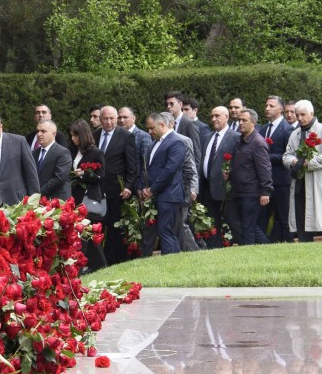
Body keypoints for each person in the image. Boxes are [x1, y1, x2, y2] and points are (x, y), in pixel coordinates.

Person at [282, 100, 322, 241]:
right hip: (300, 181)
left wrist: (309, 163)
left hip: (319, 181)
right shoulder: (294, 134)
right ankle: (304, 243)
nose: (300, 118)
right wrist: (294, 161)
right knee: (301, 215)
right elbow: (287, 155)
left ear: (311, 114)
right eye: (298, 115)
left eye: (303, 114)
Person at [95, 106, 141, 262]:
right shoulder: (94, 136)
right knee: (96, 226)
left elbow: (132, 165)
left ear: (116, 118)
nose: (108, 122)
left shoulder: (126, 136)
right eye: (105, 119)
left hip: (117, 190)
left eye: (112, 118)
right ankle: (98, 260)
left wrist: (128, 186)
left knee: (115, 227)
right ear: (100, 119)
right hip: (97, 190)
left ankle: (115, 260)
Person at [142, 112, 189, 255]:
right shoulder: (155, 143)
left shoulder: (176, 142)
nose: (149, 132)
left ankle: (170, 262)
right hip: (159, 194)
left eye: (151, 128)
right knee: (165, 230)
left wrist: (152, 190)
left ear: (161, 124)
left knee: (165, 230)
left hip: (169, 194)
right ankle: (174, 261)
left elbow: (170, 170)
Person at [227, 108, 272, 245]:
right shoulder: (239, 141)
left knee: (247, 228)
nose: (240, 123)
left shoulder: (258, 143)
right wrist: (229, 174)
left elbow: (264, 168)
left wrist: (266, 191)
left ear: (253, 122)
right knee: (244, 225)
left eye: (244, 120)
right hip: (238, 191)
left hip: (251, 193)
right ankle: (268, 248)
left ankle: (249, 254)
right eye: (239, 120)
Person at [68, 121, 109, 269]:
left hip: (89, 198)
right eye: (72, 135)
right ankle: (97, 264)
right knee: (84, 234)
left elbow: (100, 175)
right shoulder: (72, 151)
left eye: (75, 135)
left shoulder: (96, 153)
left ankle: (89, 265)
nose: (73, 139)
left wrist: (84, 174)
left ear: (83, 135)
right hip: (75, 197)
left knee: (87, 233)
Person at [197, 106, 235, 245]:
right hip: (207, 188)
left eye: (217, 116)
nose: (213, 119)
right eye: (212, 116)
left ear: (227, 117)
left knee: (233, 222)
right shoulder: (208, 136)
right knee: (211, 225)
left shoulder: (235, 137)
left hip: (226, 189)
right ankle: (215, 251)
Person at [259, 95, 294, 242]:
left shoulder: (288, 129)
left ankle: (290, 245)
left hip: (281, 181)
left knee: (283, 217)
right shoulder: (263, 128)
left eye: (271, 106)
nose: (267, 108)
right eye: (266, 105)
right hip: (264, 182)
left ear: (281, 109)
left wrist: (265, 157)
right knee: (262, 217)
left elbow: (288, 155)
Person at [33, 120, 72, 201]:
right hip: (38, 201)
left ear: (54, 133)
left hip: (56, 201)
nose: (39, 134)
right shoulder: (34, 153)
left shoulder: (63, 152)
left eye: (43, 131)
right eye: (38, 131)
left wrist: (38, 194)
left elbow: (59, 178)